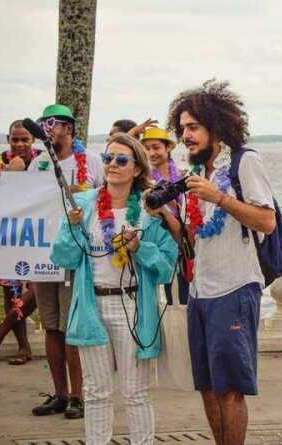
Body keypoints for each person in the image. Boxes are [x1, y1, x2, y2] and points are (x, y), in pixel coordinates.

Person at [159, 79, 275, 445]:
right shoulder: (199, 174)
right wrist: (164, 212)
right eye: (182, 129)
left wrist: (220, 198)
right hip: (201, 291)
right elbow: (194, 239)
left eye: (193, 127)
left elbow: (267, 221)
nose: (185, 135)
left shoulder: (245, 162)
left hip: (235, 288)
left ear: (216, 126)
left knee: (229, 389)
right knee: (207, 387)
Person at [50, 133, 177, 445]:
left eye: (121, 160)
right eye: (107, 159)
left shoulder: (152, 210)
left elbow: (165, 269)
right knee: (96, 393)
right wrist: (71, 227)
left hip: (133, 306)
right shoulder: (83, 204)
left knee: (136, 392)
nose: (112, 165)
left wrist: (139, 247)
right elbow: (62, 257)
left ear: (136, 169)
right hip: (92, 306)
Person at [25, 104, 104, 418]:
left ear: (69, 129)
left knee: (73, 329)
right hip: (45, 255)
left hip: (76, 257)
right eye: (43, 123)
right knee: (52, 327)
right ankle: (58, 393)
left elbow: (106, 201)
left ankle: (78, 396)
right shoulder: (38, 164)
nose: (47, 128)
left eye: (53, 123)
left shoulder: (91, 161)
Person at [0, 120, 44, 365]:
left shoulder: (44, 161)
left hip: (40, 232)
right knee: (13, 289)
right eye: (14, 139)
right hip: (11, 233)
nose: (19, 144)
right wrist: (4, 174)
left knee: (39, 289)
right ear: (8, 139)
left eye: (25, 139)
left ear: (33, 141)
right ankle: (23, 347)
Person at [141, 127, 189, 305]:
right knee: (171, 297)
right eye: (146, 148)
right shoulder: (143, 178)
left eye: (156, 147)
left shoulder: (183, 174)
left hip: (183, 240)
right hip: (160, 241)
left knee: (186, 295)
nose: (151, 153)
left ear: (168, 147)